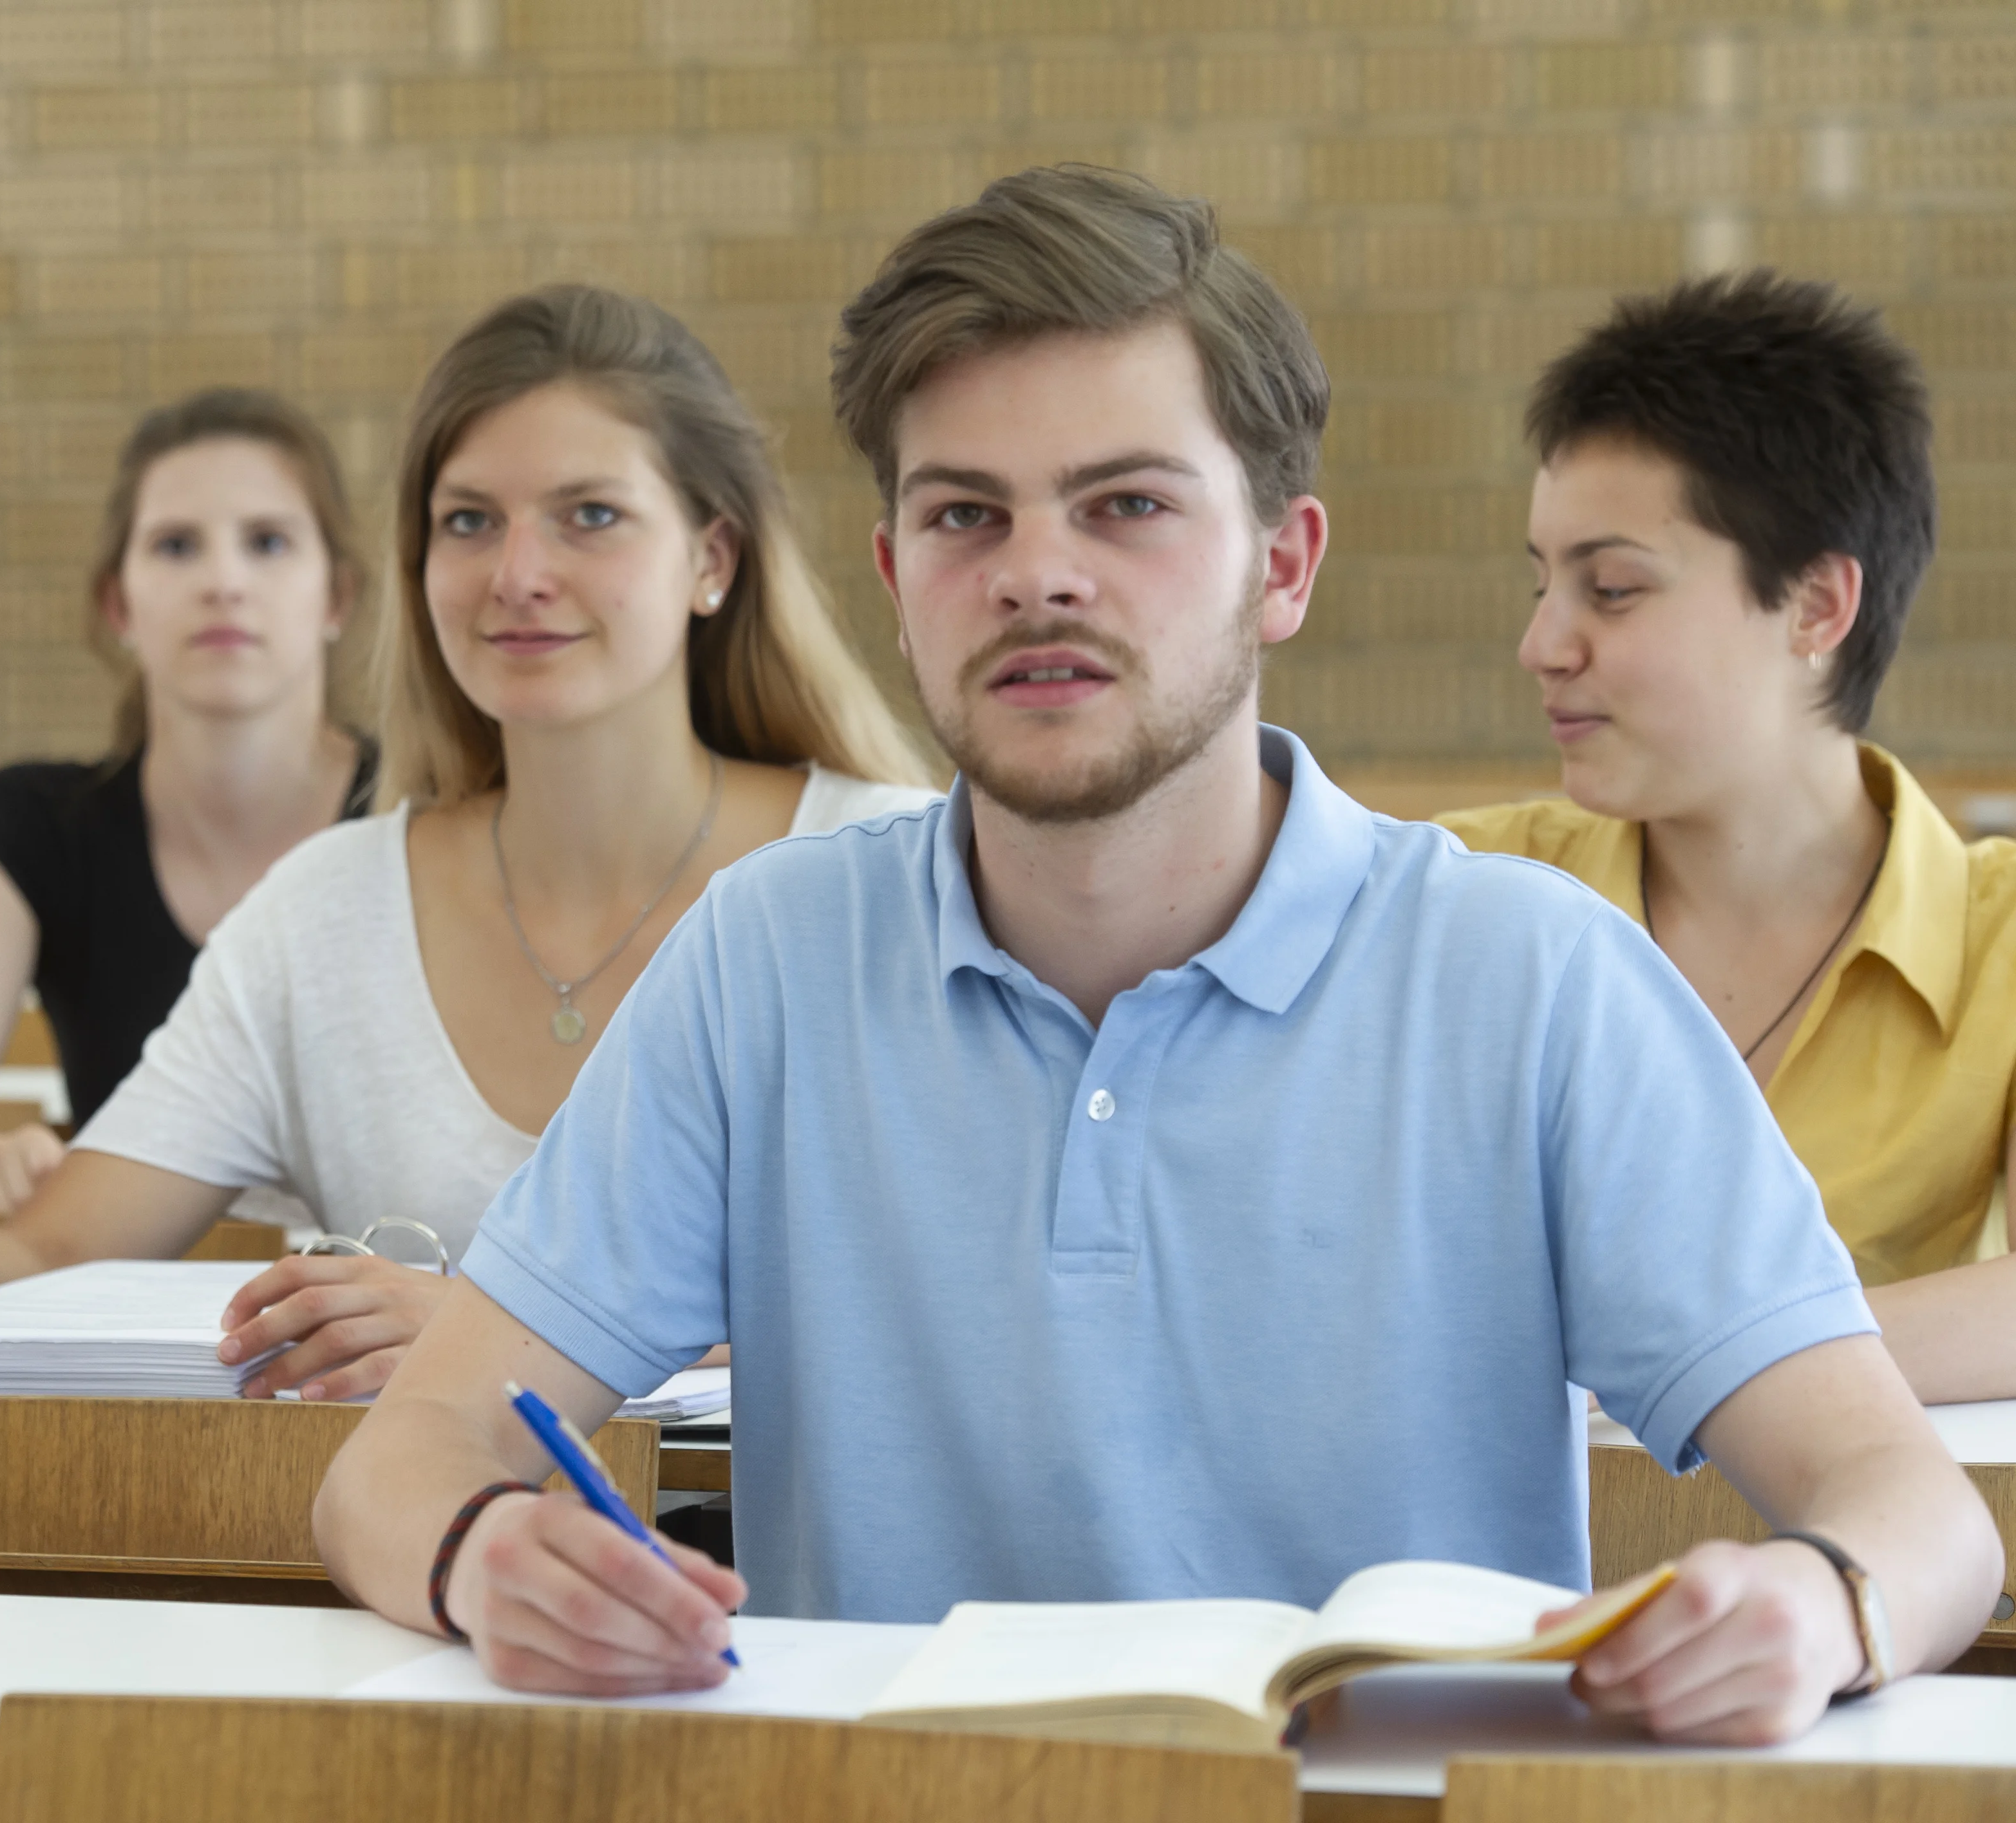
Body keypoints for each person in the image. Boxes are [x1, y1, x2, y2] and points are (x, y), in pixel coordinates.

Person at [313, 169, 2001, 1744]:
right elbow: (395, 1466)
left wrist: (1819, 1607)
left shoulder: (1538, 979)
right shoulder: (763, 960)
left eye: (1125, 505)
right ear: (896, 577)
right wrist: (485, 1556)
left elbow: (1917, 1515)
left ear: (1283, 564)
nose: (1036, 575)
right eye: (965, 516)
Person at [0, 286, 937, 1401]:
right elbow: (55, 1244)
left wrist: (496, 1332)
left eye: (591, 515)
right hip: (415, 1535)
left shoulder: (888, 869)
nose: (518, 575)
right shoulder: (324, 908)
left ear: (712, 560)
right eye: (468, 521)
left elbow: (952, 1299)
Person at [1437, 273, 2016, 1405]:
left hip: (1847, 1515)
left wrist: (1668, 1359)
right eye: (1543, 584)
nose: (1543, 644)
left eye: (1611, 589)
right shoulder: (1460, 894)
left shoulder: (1996, 937)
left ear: (1816, 606)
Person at [0, 391, 376, 1217]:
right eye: (176, 546)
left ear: (336, 597)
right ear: (118, 604)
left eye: (267, 542)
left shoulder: (431, 813)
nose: (223, 582)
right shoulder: (29, 826)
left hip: (396, 1288)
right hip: (124, 1279)